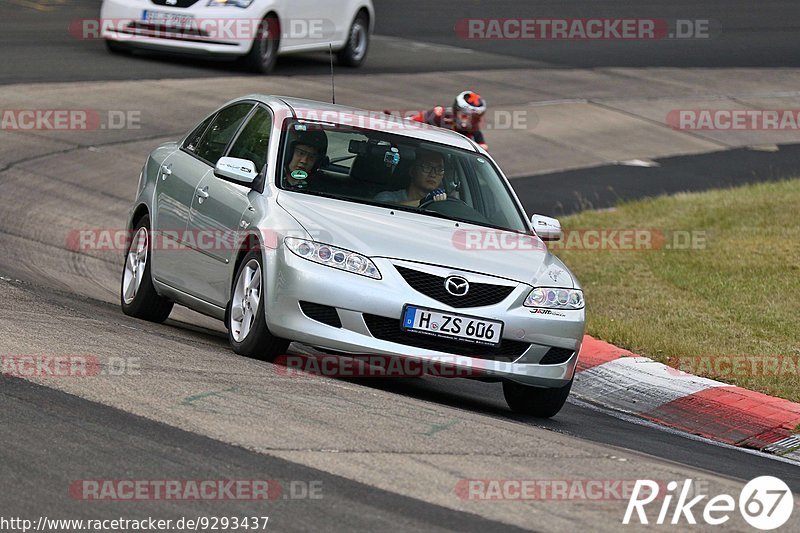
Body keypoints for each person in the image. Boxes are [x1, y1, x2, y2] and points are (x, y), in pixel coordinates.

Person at [410, 90, 489, 150]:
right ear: (456, 111)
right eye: (466, 116)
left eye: (476, 118)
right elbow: (407, 123)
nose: (473, 121)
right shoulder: (438, 115)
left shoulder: (475, 134)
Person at [374, 149, 448, 207]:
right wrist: (425, 201)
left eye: (439, 169)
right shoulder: (387, 197)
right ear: (412, 171)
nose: (433, 174)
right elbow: (382, 209)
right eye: (427, 167)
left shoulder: (443, 204)